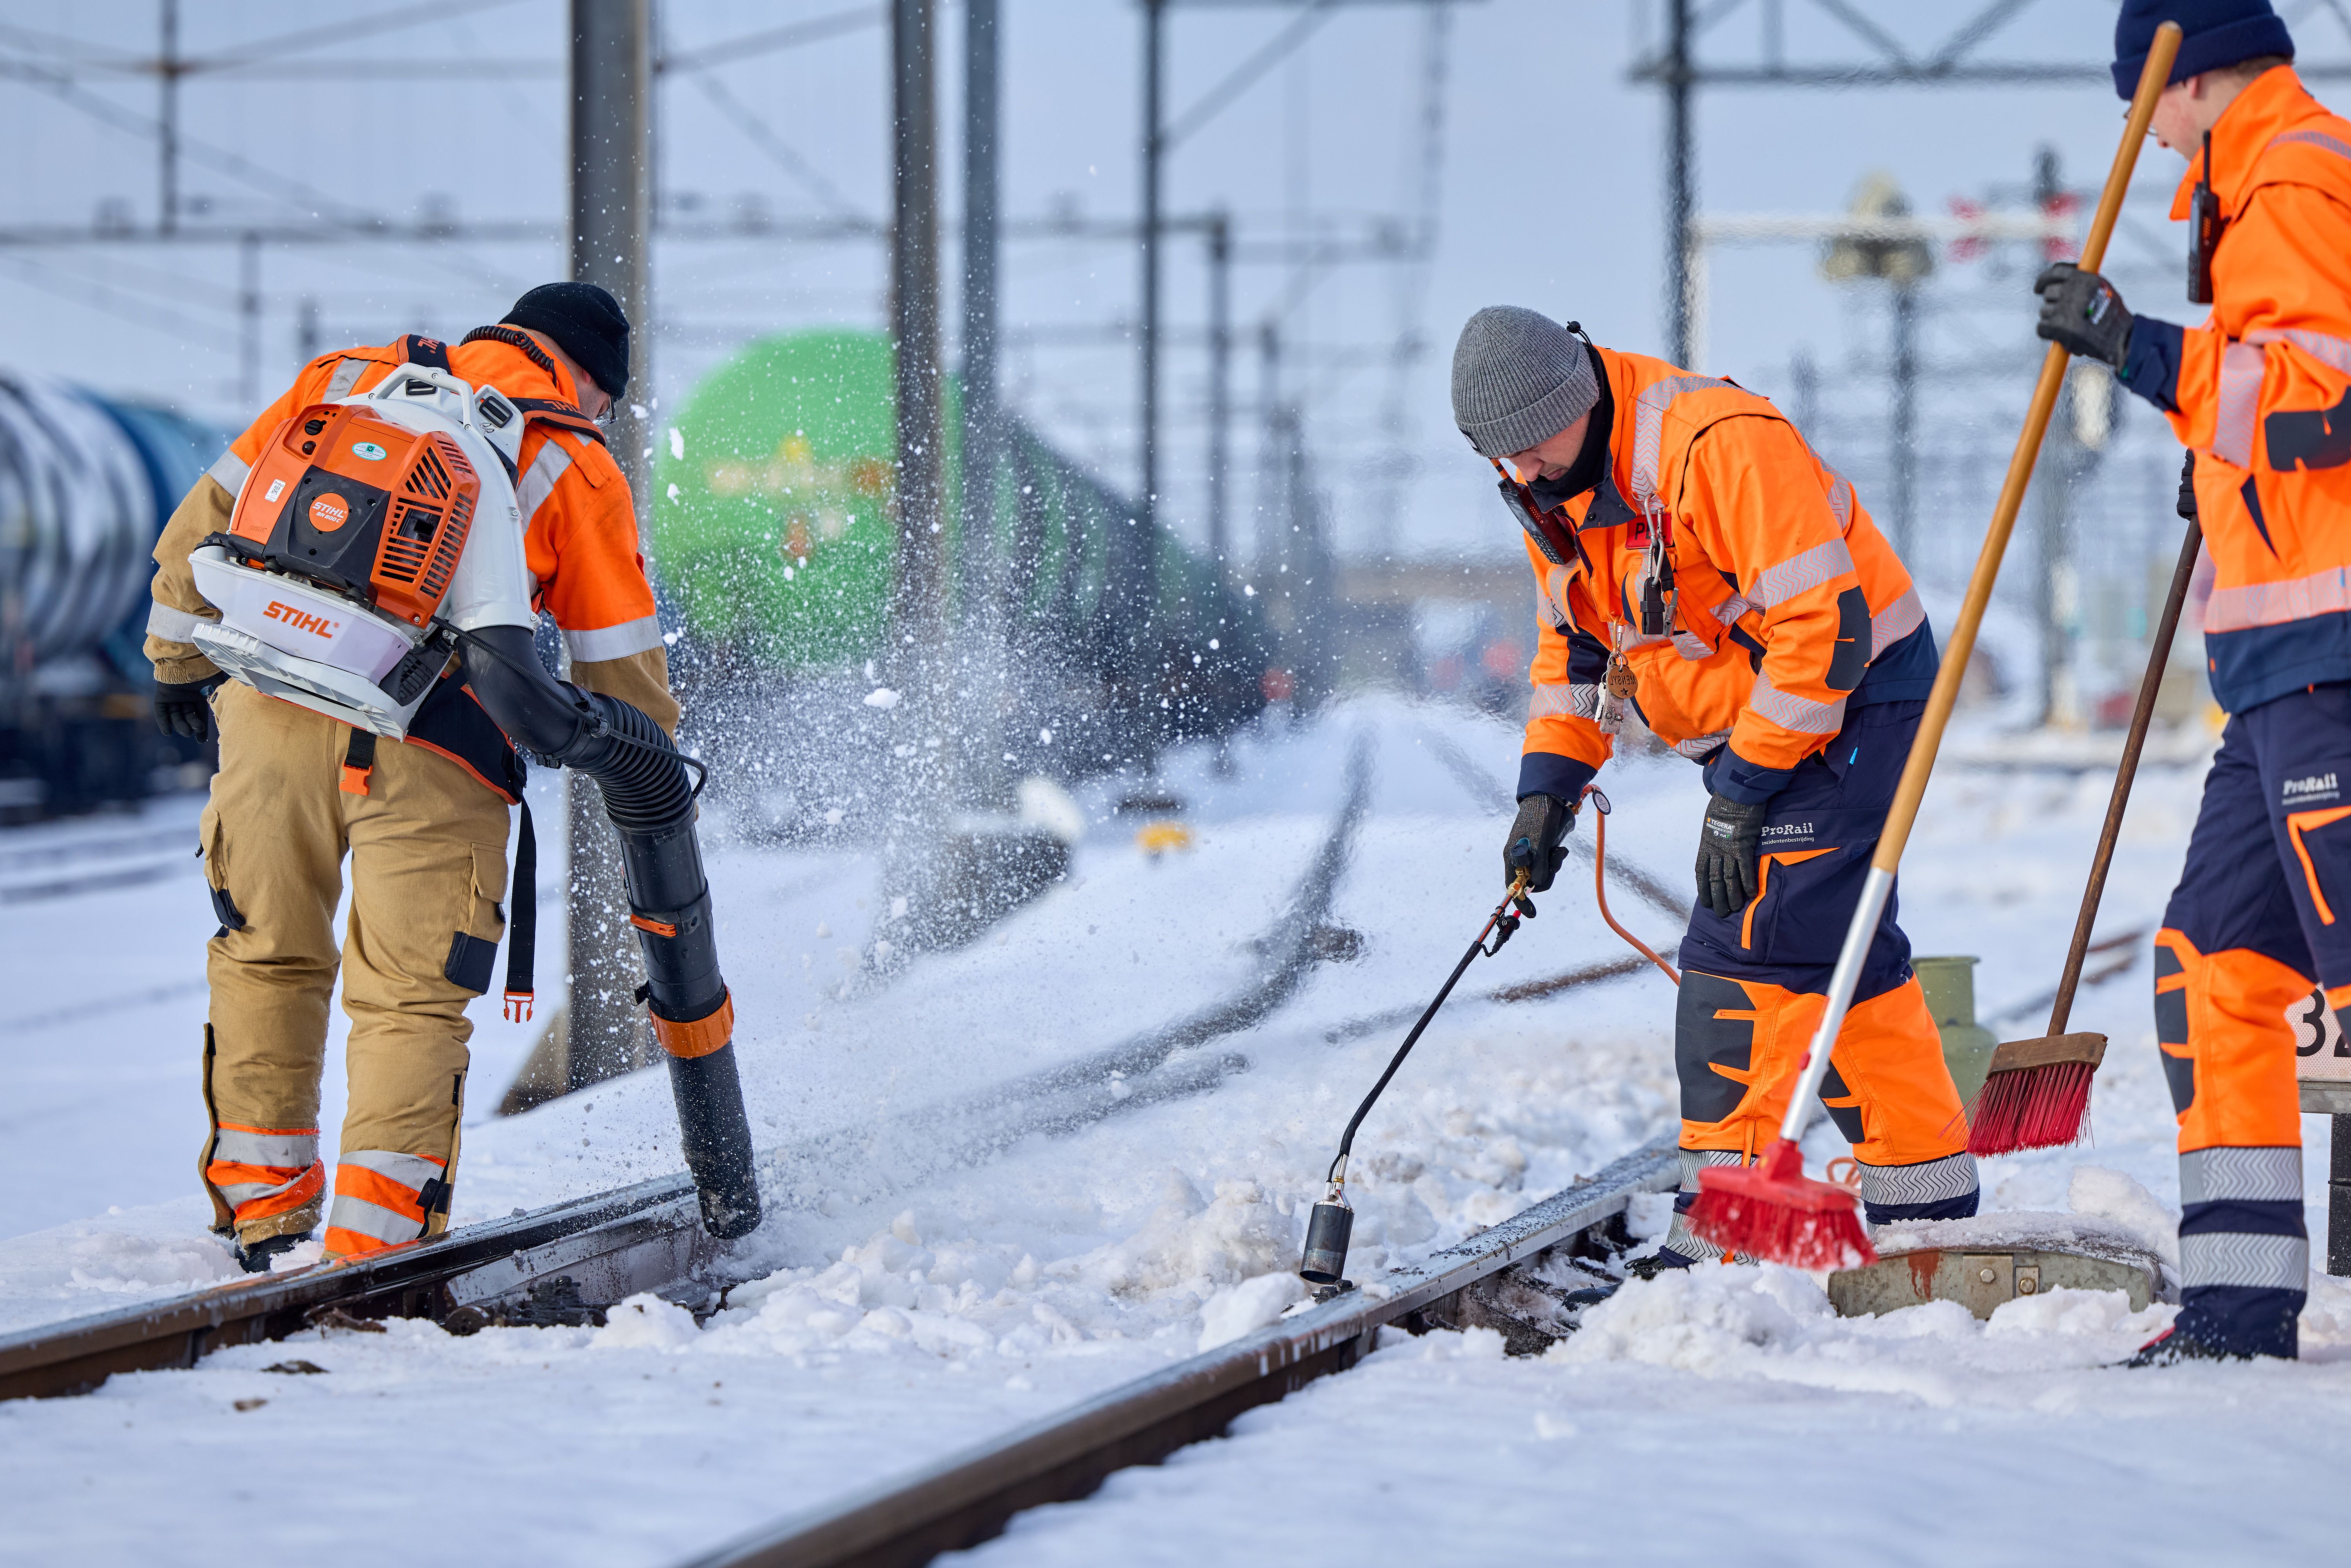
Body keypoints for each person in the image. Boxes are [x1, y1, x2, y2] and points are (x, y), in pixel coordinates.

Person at [145, 283, 676, 1268]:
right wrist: (647, 771)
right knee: (409, 1002)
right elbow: (621, 667)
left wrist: (175, 659)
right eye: (608, 400)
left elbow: (207, 517)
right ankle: (377, 1251)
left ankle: (261, 1214)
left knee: (263, 953)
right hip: (436, 753)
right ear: (590, 379)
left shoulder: (345, 379)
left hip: (270, 713)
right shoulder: (571, 458)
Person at [1450, 306, 1979, 1268]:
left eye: (1533, 445)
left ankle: (1723, 1246)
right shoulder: (1549, 491)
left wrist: (1743, 793)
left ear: (1579, 398)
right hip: (1770, 723)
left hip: (1854, 700)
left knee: (1742, 960)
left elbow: (1824, 630)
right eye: (1502, 457)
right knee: (1842, 962)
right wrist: (1548, 789)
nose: (1520, 470)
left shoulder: (1715, 446)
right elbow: (1577, 651)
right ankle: (1929, 1202)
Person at [2035, 0, 2333, 1362]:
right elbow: (2273, 408)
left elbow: (2319, 400)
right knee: (2215, 966)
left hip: (2337, 646)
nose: (2144, 134)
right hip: (2278, 659)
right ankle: (2238, 1307)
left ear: (2193, 79)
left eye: (2143, 103)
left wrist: (2142, 350)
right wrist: (2213, 464)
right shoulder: (2250, 189)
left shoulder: (2297, 176)